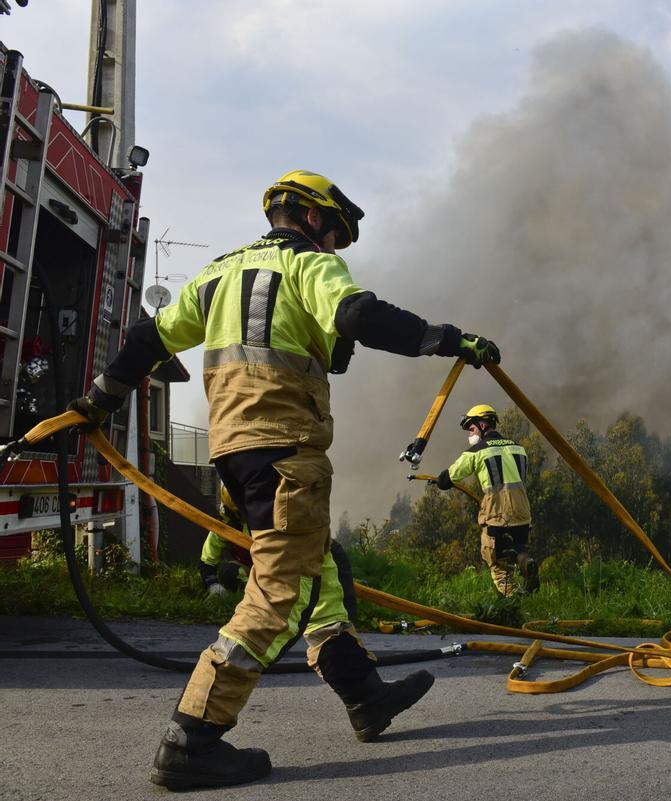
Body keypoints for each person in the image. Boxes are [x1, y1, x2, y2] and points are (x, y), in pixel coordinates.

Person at [66, 170, 501, 790]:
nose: (334, 248)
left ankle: (363, 694)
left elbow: (147, 340)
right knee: (280, 591)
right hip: (285, 450)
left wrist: (96, 402)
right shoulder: (307, 266)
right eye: (335, 234)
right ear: (316, 219)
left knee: (316, 566)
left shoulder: (216, 275)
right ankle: (194, 735)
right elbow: (356, 314)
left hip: (234, 453)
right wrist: (446, 338)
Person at [201, 485, 356, 622]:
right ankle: (253, 602)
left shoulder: (276, 516)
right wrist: (213, 585)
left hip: (283, 568)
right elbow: (207, 559)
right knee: (229, 572)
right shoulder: (225, 526)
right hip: (253, 571)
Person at [435, 404, 538, 596]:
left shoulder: (476, 452)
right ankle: (526, 562)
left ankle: (514, 605)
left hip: (497, 515)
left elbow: (448, 478)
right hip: (523, 514)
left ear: (482, 425)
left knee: (497, 564)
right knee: (518, 549)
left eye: (471, 428)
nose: (470, 434)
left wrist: (440, 480)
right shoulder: (519, 448)